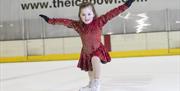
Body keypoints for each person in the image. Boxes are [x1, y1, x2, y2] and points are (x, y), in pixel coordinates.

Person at [39, 0, 135, 91]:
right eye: (83, 14)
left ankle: (97, 83)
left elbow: (113, 13)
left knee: (94, 59)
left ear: (93, 14)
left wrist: (126, 5)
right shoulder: (78, 25)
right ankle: (91, 83)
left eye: (89, 14)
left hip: (97, 49)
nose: (86, 17)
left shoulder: (99, 21)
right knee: (90, 69)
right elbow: (65, 21)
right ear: (80, 16)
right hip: (86, 51)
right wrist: (50, 20)